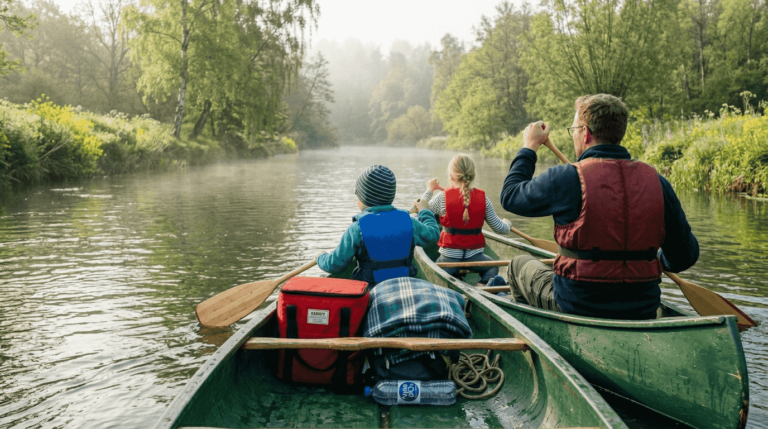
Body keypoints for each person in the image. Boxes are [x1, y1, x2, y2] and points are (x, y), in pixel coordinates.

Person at [499, 94, 699, 320]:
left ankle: (539, 335)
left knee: (518, 265)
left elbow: (510, 195)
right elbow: (685, 256)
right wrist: (653, 261)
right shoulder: (657, 182)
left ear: (585, 133)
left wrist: (529, 147)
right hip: (642, 308)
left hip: (577, 305)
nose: (574, 134)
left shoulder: (567, 178)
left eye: (573, 129)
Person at [317, 165, 441, 286]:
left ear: (364, 198)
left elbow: (335, 264)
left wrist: (320, 257)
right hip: (405, 284)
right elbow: (433, 234)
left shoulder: (356, 229)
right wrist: (425, 211)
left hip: (371, 290)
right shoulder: (409, 221)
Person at [422, 154, 512, 285]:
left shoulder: (442, 197)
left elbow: (421, 210)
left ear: (451, 176)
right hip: (475, 259)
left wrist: (430, 189)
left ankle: (450, 283)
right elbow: (500, 229)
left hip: (449, 259)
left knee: (433, 271)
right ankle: (482, 285)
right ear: (473, 175)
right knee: (493, 266)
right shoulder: (483, 199)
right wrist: (507, 224)